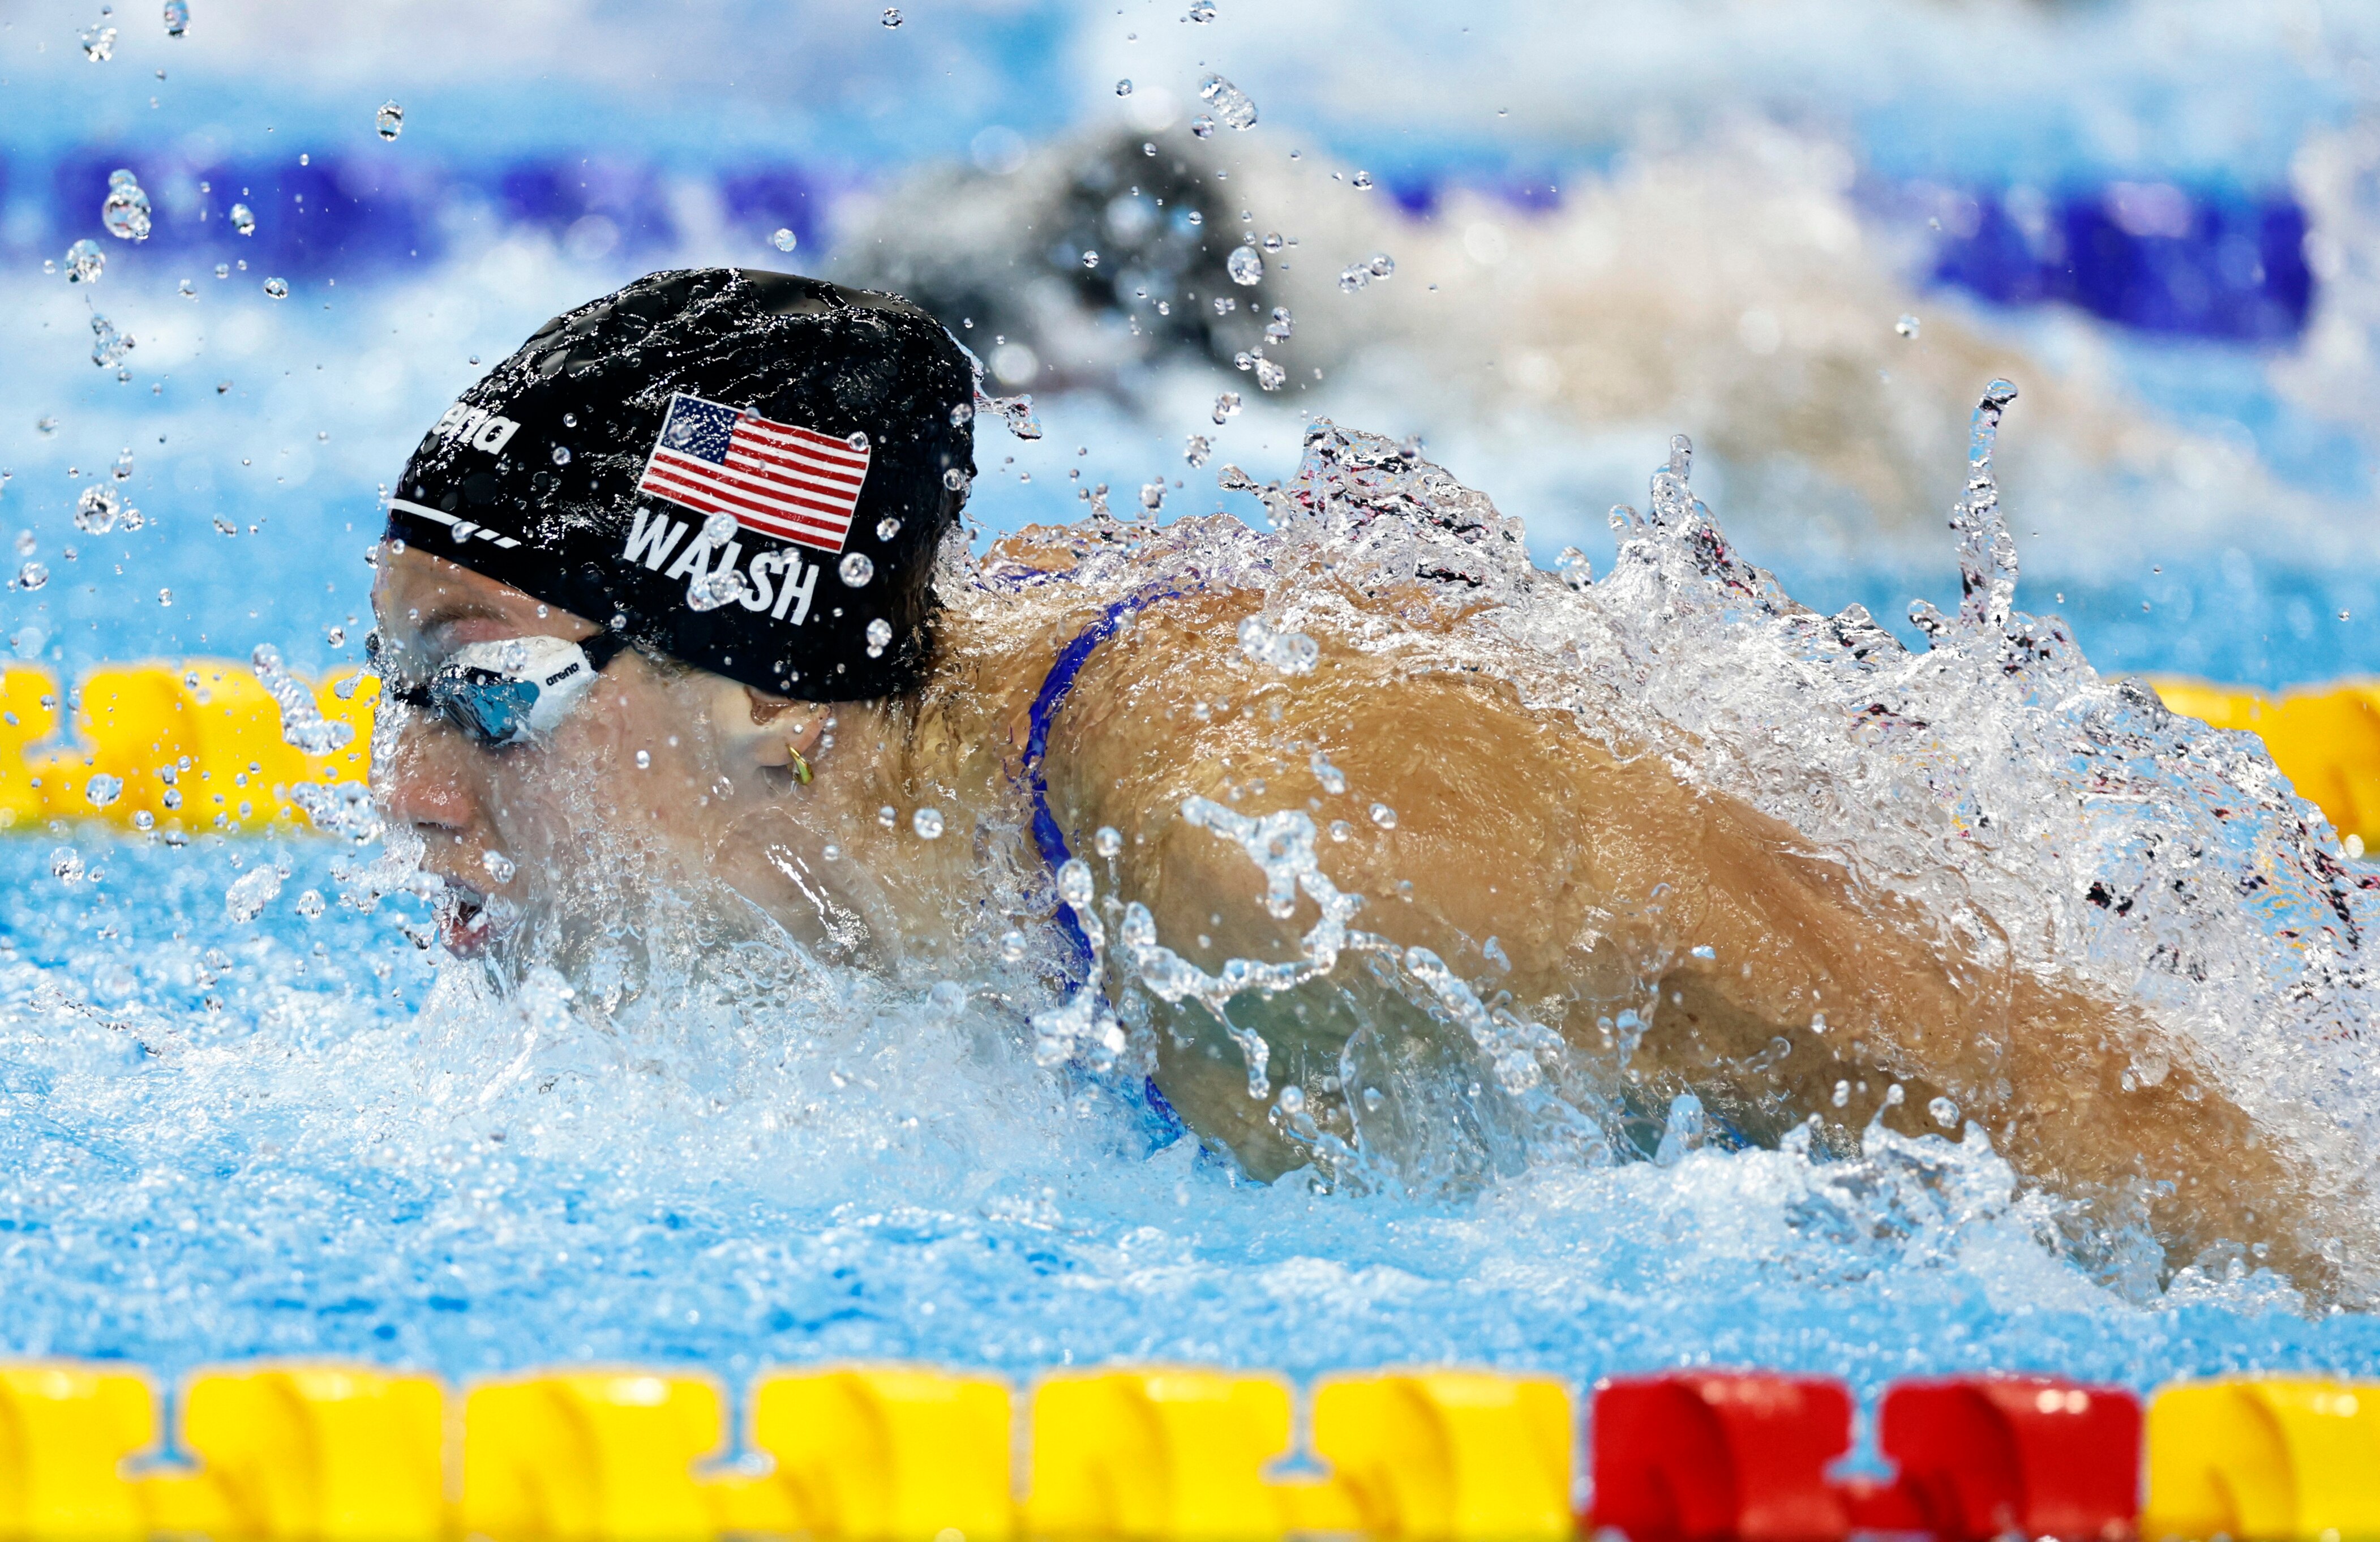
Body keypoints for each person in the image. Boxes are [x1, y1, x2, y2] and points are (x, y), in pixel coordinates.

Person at [372, 268, 2349, 1293]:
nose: (411, 793)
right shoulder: (908, 773)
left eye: (490, 697)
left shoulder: (1273, 849)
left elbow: (2062, 1102)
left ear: (769, 696)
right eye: (392, 692)